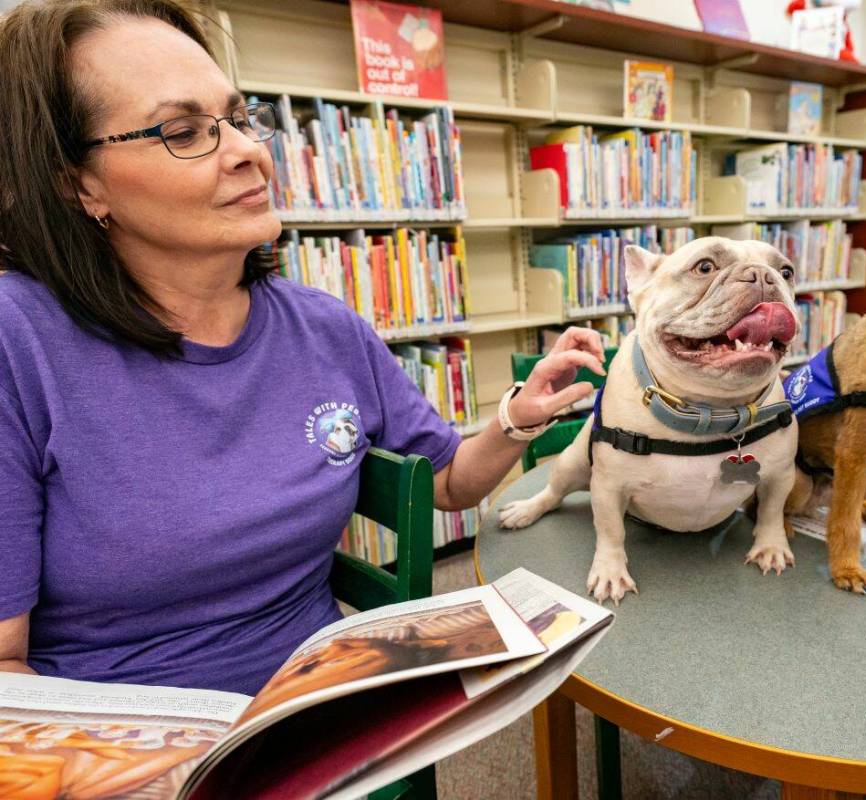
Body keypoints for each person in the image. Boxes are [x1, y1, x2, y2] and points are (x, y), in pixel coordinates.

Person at [0, 0, 604, 696]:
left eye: (239, 117)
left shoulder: (324, 328)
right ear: (79, 184)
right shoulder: (21, 342)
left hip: (314, 699)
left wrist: (515, 418)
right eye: (183, 131)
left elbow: (447, 482)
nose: (251, 151)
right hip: (117, 735)